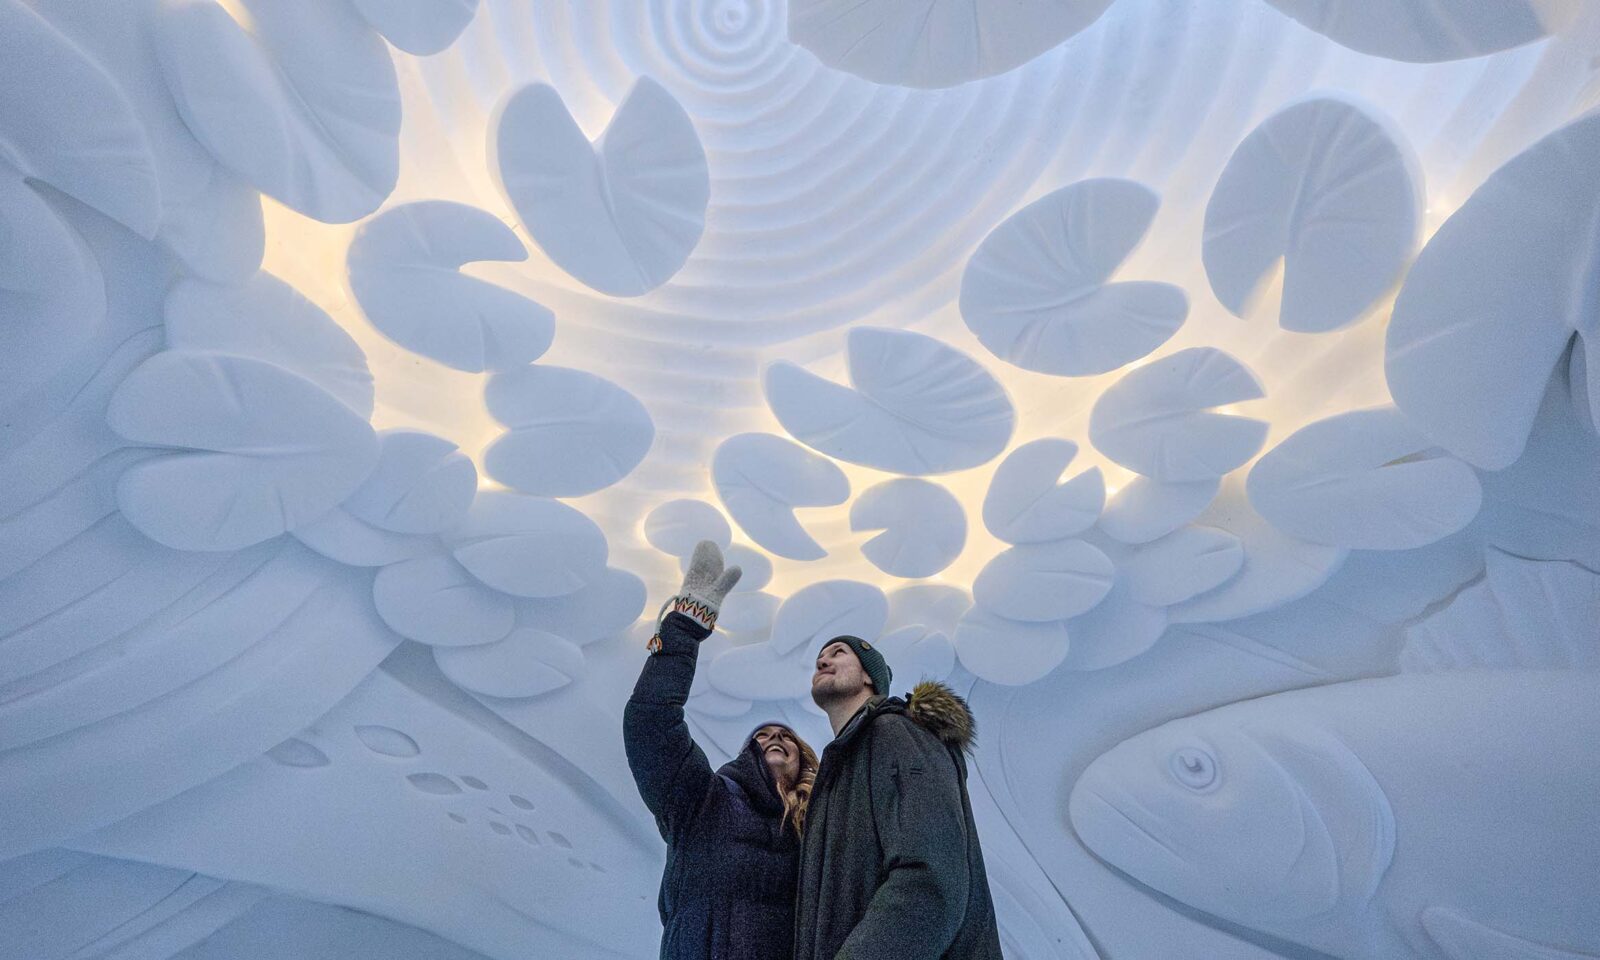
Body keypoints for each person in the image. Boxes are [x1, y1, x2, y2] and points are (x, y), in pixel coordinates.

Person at [623, 540, 819, 960]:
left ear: (804, 758)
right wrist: (683, 629)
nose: (775, 739)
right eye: (763, 737)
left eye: (786, 737)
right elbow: (651, 725)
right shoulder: (704, 800)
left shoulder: (821, 825)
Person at [793, 635, 1003, 959]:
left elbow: (928, 880)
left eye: (838, 653)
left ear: (869, 676)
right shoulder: (838, 773)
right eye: (820, 657)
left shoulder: (894, 731)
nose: (822, 661)